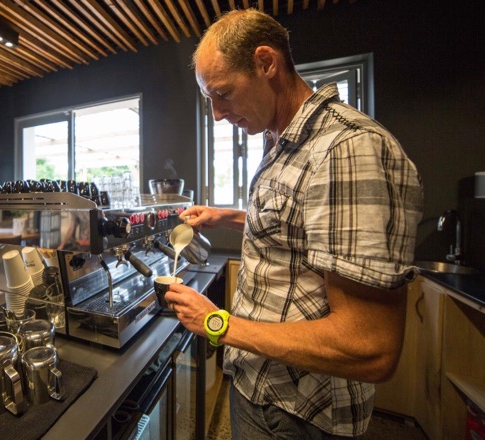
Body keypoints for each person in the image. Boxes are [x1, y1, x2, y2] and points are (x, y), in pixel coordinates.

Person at [164, 9, 423, 439]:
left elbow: (370, 345)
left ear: (267, 63)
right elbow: (303, 226)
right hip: (259, 386)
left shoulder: (346, 149)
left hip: (299, 412)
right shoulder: (283, 142)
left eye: (222, 94)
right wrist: (225, 216)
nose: (217, 114)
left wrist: (218, 322)